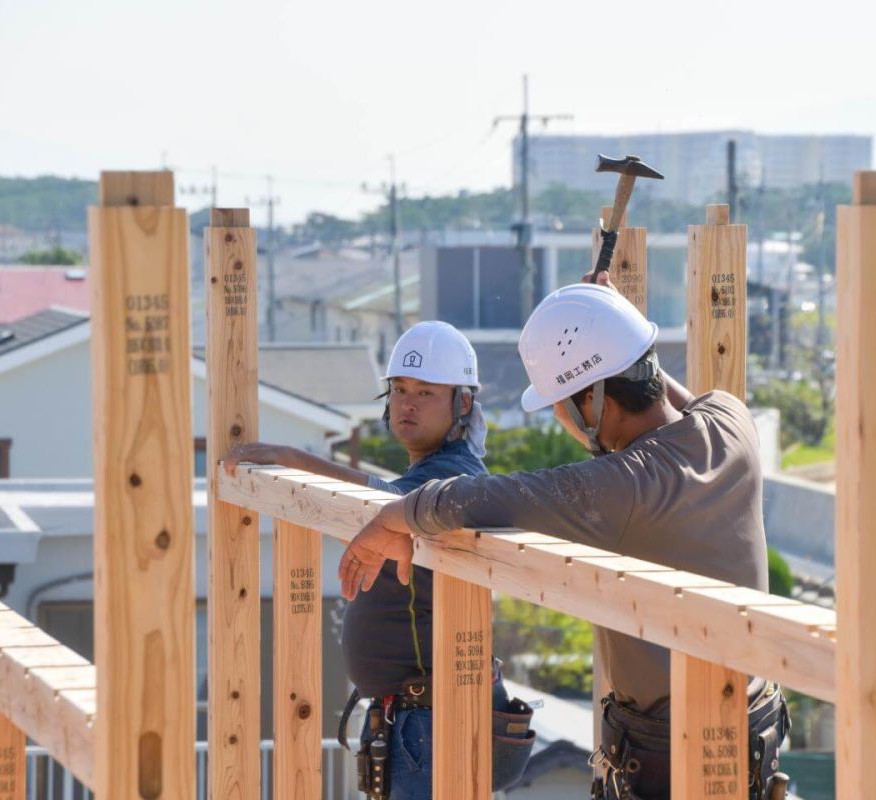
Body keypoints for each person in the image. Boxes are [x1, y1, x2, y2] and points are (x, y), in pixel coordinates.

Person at [337, 277, 790, 800]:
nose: (558, 417)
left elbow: (483, 496)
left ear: (591, 402)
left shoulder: (624, 486)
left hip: (672, 759)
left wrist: (396, 515)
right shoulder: (732, 424)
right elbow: (667, 388)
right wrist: (609, 320)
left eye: (559, 403)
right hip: (754, 734)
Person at [224, 321, 527, 799]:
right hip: (412, 720)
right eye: (400, 389)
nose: (407, 403)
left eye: (426, 392)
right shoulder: (429, 470)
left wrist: (293, 458)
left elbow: (392, 505)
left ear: (463, 404)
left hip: (428, 721)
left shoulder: (453, 472)